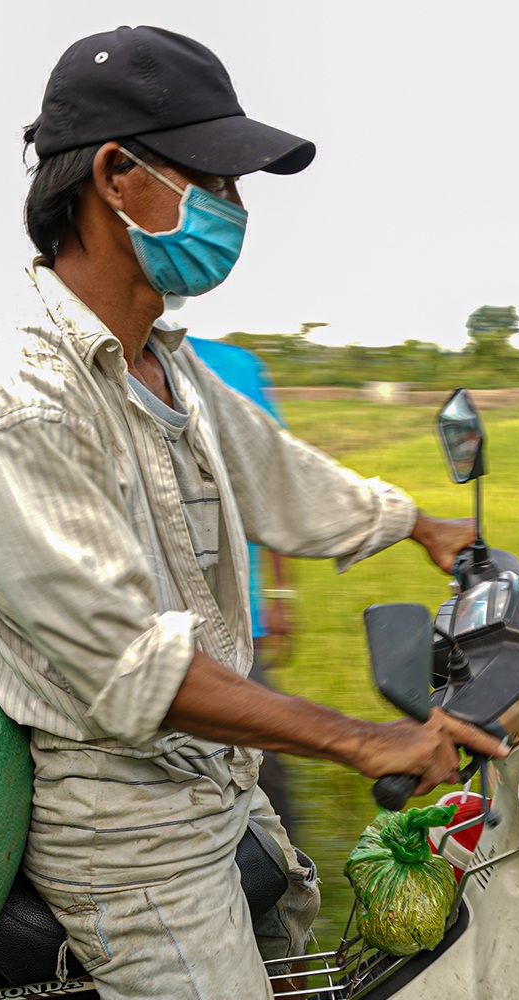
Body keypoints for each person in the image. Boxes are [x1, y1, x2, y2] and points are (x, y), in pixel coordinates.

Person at [0, 28, 506, 1000]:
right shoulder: (14, 390)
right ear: (115, 177)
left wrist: (425, 523)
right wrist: (369, 738)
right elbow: (140, 668)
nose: (236, 212)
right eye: (214, 180)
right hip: (131, 832)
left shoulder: (169, 371)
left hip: (210, 798)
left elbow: (286, 478)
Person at [185, 333, 299, 833]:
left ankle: (285, 868)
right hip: (155, 619)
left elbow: (274, 484)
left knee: (260, 747)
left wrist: (278, 594)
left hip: (237, 612)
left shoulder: (236, 366)